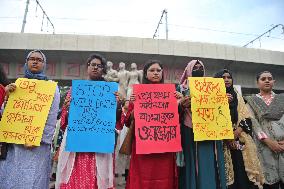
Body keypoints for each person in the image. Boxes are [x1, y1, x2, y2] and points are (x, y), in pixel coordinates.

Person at [56, 53, 120, 189]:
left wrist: (117, 104)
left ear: (103, 69)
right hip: (78, 144)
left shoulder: (110, 92)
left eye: (99, 66)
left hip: (100, 144)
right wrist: (67, 109)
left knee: (98, 179)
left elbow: (116, 120)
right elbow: (64, 121)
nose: (96, 68)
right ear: (87, 67)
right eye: (93, 65)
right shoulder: (75, 90)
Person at [0, 50, 60, 189]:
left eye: (39, 60)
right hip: (15, 145)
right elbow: (5, 114)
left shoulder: (52, 88)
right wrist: (6, 97)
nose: (35, 61)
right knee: (12, 179)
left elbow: (51, 117)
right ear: (26, 62)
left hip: (37, 146)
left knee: (34, 180)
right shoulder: (17, 85)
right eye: (31, 59)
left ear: (44, 64)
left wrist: (37, 139)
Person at [126, 59, 179, 189]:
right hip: (143, 146)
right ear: (145, 74)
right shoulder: (137, 93)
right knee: (142, 177)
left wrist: (179, 102)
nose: (155, 73)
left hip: (165, 146)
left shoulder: (171, 93)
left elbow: (177, 120)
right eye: (152, 70)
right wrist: (132, 105)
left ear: (162, 73)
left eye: (158, 70)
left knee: (164, 177)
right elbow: (128, 121)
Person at [177, 60, 227, 189]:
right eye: (195, 67)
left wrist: (223, 99)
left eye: (200, 67)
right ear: (188, 70)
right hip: (189, 129)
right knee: (192, 162)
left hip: (210, 130)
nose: (198, 70)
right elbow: (174, 111)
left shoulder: (211, 86)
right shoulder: (181, 88)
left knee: (210, 160)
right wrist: (181, 104)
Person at [214, 69, 264, 189]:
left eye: (229, 77)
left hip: (239, 139)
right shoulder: (211, 98)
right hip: (221, 143)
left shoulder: (238, 96)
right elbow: (211, 119)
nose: (226, 79)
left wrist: (236, 133)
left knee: (242, 174)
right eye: (223, 77)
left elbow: (246, 117)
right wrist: (220, 101)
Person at [246, 71, 284, 189]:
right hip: (264, 147)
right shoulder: (252, 101)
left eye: (269, 78)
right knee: (269, 183)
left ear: (274, 82)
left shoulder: (282, 99)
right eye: (263, 79)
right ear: (258, 83)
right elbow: (254, 123)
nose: (267, 80)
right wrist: (269, 142)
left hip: (283, 145)